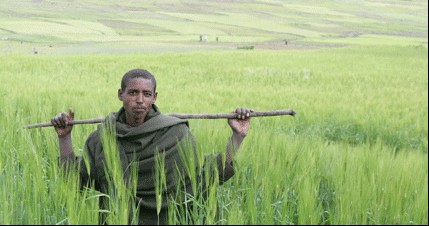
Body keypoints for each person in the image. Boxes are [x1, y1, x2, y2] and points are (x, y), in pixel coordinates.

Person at [51, 68, 252, 225]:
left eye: (146, 94)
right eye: (133, 93)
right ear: (120, 94)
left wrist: (238, 136)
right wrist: (64, 138)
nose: (140, 100)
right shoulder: (102, 139)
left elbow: (205, 173)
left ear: (154, 97)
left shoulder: (176, 134)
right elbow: (76, 180)